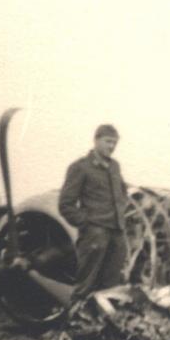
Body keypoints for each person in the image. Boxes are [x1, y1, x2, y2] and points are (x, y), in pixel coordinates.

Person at [58, 124, 130, 305]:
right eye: (108, 142)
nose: (112, 146)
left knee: (112, 286)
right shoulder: (80, 167)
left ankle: (106, 327)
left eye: (114, 143)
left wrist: (120, 215)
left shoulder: (115, 167)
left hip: (116, 233)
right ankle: (75, 325)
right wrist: (88, 224)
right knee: (86, 284)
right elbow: (65, 204)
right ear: (96, 140)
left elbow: (122, 192)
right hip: (94, 236)